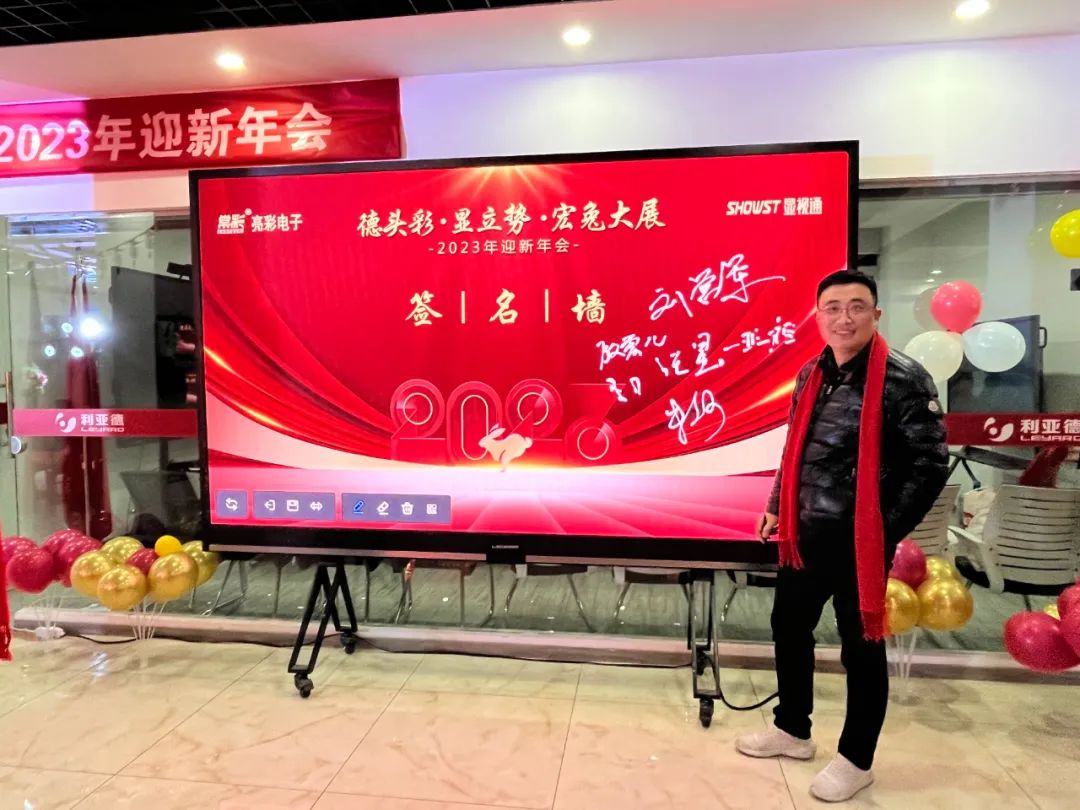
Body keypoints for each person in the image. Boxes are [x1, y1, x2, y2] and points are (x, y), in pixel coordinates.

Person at [735, 270, 949, 802]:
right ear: (818, 316)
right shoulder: (812, 373)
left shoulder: (904, 379)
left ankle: (857, 760)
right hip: (806, 533)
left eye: (856, 307)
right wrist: (775, 505)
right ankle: (793, 729)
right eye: (833, 308)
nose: (844, 318)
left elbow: (928, 466)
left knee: (861, 649)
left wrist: (882, 529)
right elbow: (796, 448)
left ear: (876, 315)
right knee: (789, 627)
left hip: (861, 543)